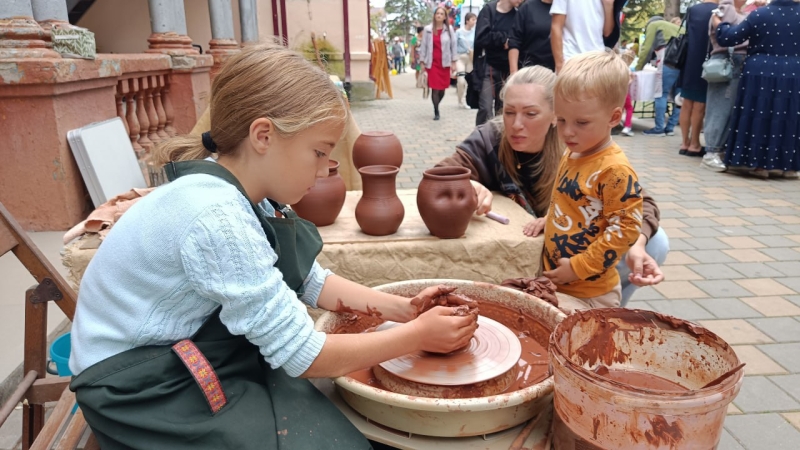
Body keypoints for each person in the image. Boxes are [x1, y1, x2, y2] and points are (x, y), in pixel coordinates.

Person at [67, 43, 478, 449]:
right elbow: (302, 356)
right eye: (318, 153)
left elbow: (308, 281)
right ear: (263, 135)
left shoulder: (244, 191)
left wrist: (405, 311)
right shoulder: (217, 216)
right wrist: (418, 337)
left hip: (183, 349)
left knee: (310, 402)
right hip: (135, 385)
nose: (323, 171)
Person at [436, 65, 667, 307]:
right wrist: (468, 183)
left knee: (656, 241)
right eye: (509, 112)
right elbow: (440, 174)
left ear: (553, 114)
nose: (515, 124)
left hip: (584, 269)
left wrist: (637, 245)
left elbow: (640, 206)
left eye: (531, 113)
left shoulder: (581, 146)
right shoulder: (491, 137)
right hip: (543, 258)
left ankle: (610, 308)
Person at [540, 50, 644, 310]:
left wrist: (578, 268)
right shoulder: (575, 149)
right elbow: (568, 199)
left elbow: (626, 228)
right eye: (561, 120)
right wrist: (550, 219)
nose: (567, 131)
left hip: (591, 293)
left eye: (581, 122)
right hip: (558, 280)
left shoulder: (614, 170)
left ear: (613, 117)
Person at [715, 0, 800, 179]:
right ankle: (789, 166)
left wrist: (720, 25)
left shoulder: (761, 14)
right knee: (789, 116)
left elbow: (729, 38)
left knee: (760, 114)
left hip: (760, 71)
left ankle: (759, 165)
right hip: (794, 71)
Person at [701, 0, 749, 172]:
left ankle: (717, 151)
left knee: (728, 108)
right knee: (720, 108)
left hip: (736, 62)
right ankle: (712, 152)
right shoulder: (726, 8)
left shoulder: (740, 11)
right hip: (728, 62)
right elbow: (724, 35)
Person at [679, 0, 719, 157]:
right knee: (699, 105)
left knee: (686, 103)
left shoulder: (693, 9)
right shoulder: (718, 10)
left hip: (688, 61)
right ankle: (695, 144)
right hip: (707, 61)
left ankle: (684, 142)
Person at [473, 0, 522, 125]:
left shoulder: (519, 13)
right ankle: (481, 141)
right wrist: (503, 39)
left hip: (508, 68)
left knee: (503, 109)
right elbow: (481, 38)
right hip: (488, 66)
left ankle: (500, 142)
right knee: (485, 107)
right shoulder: (489, 10)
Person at [636, 16, 682, 137]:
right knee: (679, 97)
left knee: (661, 94)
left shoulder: (654, 25)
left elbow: (646, 48)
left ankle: (659, 128)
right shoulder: (677, 28)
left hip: (667, 62)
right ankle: (670, 127)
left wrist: (638, 68)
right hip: (684, 65)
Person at [550, 0, 618, 73]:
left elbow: (607, 32)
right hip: (571, 59)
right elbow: (556, 26)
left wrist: (609, 5)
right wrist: (559, 65)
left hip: (597, 61)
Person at [420, 6, 459, 120]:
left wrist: (454, 61)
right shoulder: (428, 30)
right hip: (432, 63)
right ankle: (436, 111)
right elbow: (424, 47)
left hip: (444, 63)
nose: (439, 15)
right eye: (437, 13)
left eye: (442, 14)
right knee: (434, 88)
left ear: (445, 17)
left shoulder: (449, 29)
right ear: (434, 15)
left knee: (442, 89)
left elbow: (453, 46)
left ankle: (437, 103)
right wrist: (422, 62)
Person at [508, 0, 556, 73]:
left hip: (557, 71)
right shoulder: (527, 7)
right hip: (529, 70)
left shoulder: (565, 9)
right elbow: (514, 41)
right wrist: (513, 72)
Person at [456, 12, 477, 109]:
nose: (474, 22)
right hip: (461, 58)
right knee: (461, 80)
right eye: (472, 19)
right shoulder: (459, 32)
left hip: (471, 58)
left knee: (470, 81)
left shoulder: (475, 32)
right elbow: (454, 46)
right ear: (467, 21)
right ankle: (460, 100)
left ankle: (467, 100)